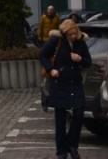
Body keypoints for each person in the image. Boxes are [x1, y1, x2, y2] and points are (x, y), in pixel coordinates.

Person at [40, 18, 92, 159]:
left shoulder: (80, 42)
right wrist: (51, 70)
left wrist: (80, 59)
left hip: (75, 83)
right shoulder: (56, 41)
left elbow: (88, 62)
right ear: (64, 33)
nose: (73, 37)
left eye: (74, 33)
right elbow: (42, 55)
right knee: (60, 118)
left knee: (79, 113)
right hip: (59, 83)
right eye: (70, 34)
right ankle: (61, 151)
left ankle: (72, 145)